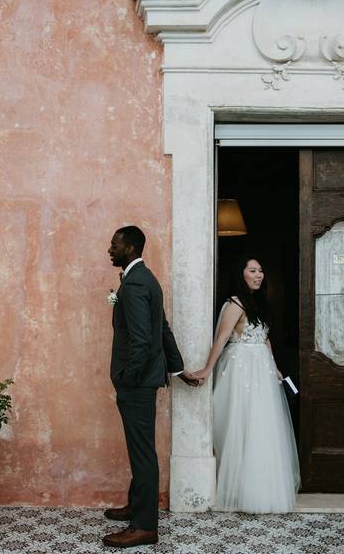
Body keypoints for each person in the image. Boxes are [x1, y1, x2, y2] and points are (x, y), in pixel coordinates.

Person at [103, 225, 199, 548]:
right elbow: (163, 330)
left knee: (142, 452)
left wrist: (128, 379)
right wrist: (179, 368)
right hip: (146, 381)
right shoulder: (148, 280)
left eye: (115, 245)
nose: (109, 249)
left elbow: (144, 341)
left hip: (137, 384)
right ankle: (136, 503)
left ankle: (144, 526)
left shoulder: (133, 286)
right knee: (140, 447)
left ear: (130, 248)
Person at [189, 256, 301, 513]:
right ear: (241, 274)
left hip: (261, 369)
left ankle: (261, 490)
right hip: (241, 369)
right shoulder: (235, 303)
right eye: (253, 270)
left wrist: (275, 368)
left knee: (262, 428)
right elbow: (222, 337)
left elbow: (265, 338)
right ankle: (238, 490)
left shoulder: (258, 303)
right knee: (241, 425)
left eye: (261, 270)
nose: (259, 274)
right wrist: (207, 368)